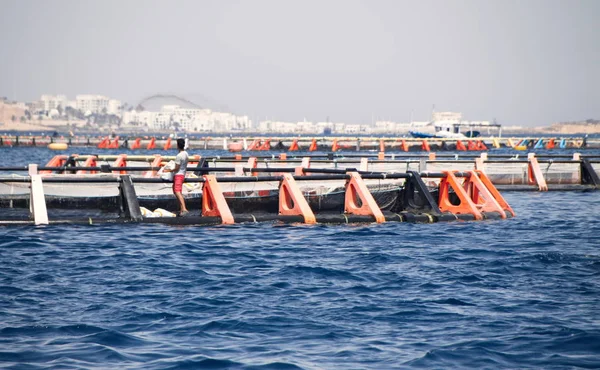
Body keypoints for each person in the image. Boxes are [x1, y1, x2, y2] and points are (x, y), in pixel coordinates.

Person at [164, 138, 189, 216]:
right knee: (177, 191)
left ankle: (184, 209)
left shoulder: (179, 156)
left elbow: (177, 168)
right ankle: (181, 209)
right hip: (182, 174)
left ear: (178, 145)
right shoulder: (186, 154)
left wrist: (168, 170)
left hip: (178, 175)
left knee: (177, 192)